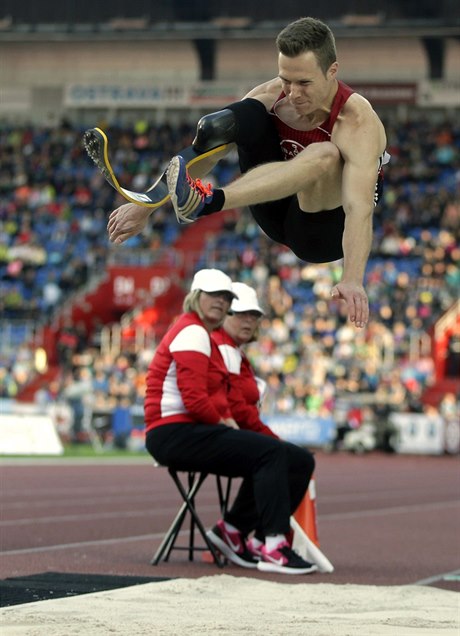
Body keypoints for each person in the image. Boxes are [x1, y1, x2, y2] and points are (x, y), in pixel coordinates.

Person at [108, 17, 389, 329]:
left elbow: (359, 209)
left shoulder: (357, 122)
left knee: (325, 153)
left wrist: (352, 279)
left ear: (332, 71)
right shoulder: (274, 96)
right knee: (232, 121)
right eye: (287, 81)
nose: (293, 94)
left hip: (322, 232)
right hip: (274, 209)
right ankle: (201, 201)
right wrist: (147, 205)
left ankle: (210, 201)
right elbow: (207, 150)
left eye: (305, 84)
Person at [144, 268, 317, 574]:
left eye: (226, 298)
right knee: (271, 452)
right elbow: (195, 400)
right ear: (195, 297)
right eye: (214, 296)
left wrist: (225, 422)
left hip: (183, 431)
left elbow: (212, 398)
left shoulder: (202, 334)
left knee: (283, 455)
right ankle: (272, 544)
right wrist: (223, 423)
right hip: (173, 432)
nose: (221, 303)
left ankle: (235, 532)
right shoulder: (193, 331)